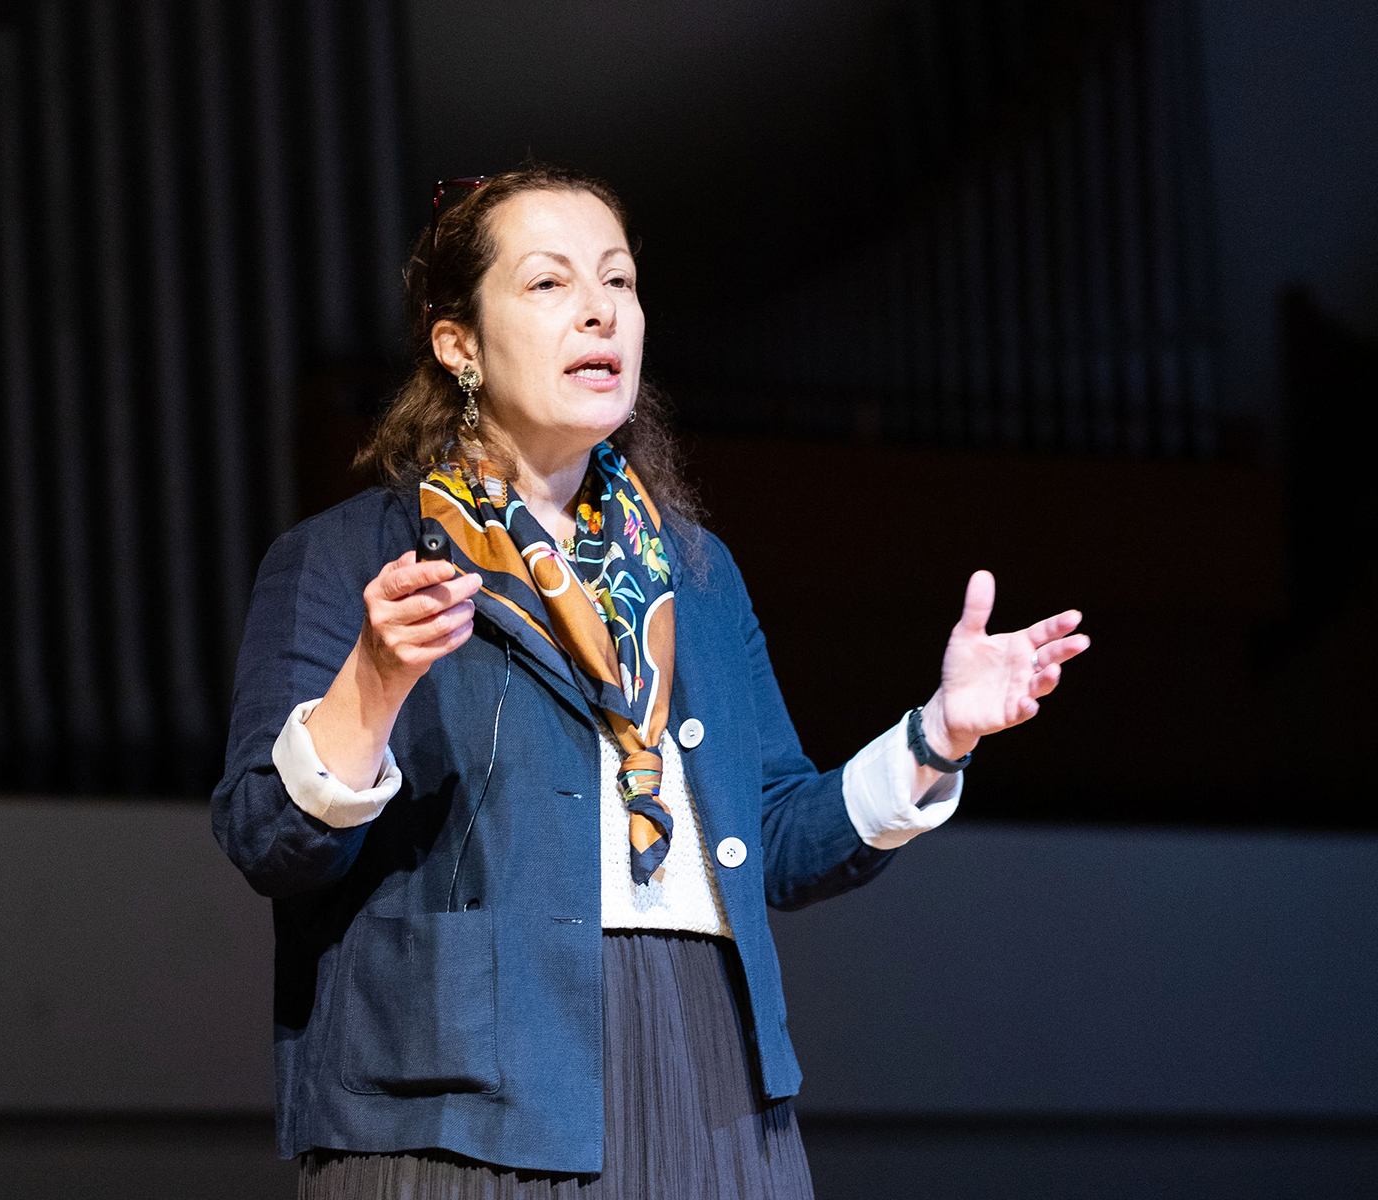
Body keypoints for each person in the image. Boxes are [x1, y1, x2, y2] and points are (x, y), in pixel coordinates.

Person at [211, 165, 1089, 1199]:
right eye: (549, 283)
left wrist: (938, 735)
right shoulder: (345, 557)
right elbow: (267, 838)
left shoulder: (695, 574)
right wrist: (374, 677)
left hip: (713, 1065)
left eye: (619, 281)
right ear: (458, 345)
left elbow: (776, 838)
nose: (600, 310)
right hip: (459, 1091)